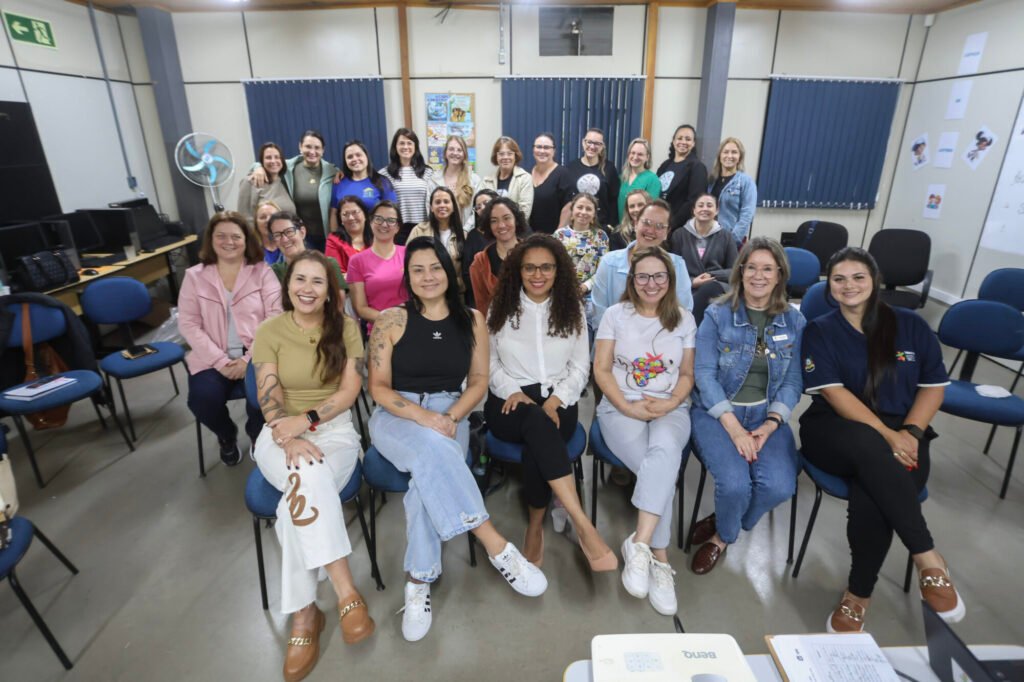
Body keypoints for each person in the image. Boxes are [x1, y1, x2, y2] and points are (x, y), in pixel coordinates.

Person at [367, 237, 548, 642]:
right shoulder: (391, 320)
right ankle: (495, 544)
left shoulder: (472, 320)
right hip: (398, 413)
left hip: (453, 410)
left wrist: (448, 416)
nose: (428, 277)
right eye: (417, 270)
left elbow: (479, 381)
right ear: (408, 277)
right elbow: (378, 388)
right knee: (433, 450)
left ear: (448, 272)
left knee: (423, 482)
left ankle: (418, 580)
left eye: (435, 268)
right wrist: (424, 417)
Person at [800, 247, 963, 633]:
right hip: (834, 427)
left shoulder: (912, 326)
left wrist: (911, 432)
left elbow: (933, 387)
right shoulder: (820, 330)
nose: (849, 285)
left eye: (858, 277)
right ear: (829, 285)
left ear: (874, 281)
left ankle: (858, 594)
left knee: (873, 491)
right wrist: (889, 436)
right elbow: (834, 394)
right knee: (869, 448)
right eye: (839, 279)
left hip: (907, 429)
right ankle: (927, 556)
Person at [252, 251, 373, 682]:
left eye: (317, 281)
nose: (307, 288)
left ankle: (305, 614)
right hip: (278, 433)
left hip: (334, 432)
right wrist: (288, 433)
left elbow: (349, 392)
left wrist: (307, 422)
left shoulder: (347, 329)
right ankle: (345, 590)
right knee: (307, 471)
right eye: (299, 279)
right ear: (287, 286)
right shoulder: (269, 331)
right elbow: (268, 394)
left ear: (330, 291)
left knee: (296, 499)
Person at [486, 234, 617, 571]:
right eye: (529, 267)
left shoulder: (571, 309)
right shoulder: (500, 308)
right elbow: (489, 363)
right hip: (508, 401)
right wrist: (512, 390)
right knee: (536, 423)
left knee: (538, 434)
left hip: (560, 399)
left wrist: (557, 399)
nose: (538, 274)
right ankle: (582, 523)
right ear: (518, 270)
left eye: (546, 267)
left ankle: (535, 526)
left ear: (558, 270)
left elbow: (580, 367)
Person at [689, 237, 804, 575]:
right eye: (751, 267)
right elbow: (704, 375)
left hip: (766, 413)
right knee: (735, 485)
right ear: (740, 272)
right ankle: (724, 535)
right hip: (717, 411)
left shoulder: (794, 322)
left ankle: (724, 529)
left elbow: (793, 382)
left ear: (780, 274)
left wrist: (771, 423)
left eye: (767, 268)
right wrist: (735, 428)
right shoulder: (717, 314)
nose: (758, 275)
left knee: (779, 486)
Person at [593, 246, 697, 616]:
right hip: (620, 406)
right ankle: (660, 558)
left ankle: (639, 544)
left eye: (659, 276)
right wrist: (626, 406)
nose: (651, 283)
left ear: (670, 280)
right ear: (632, 281)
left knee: (664, 454)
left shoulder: (684, 319)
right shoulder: (614, 315)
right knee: (661, 471)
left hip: (671, 406)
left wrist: (670, 403)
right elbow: (601, 369)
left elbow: (687, 374)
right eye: (643, 276)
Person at [179, 211, 282, 466]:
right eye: (221, 236)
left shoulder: (262, 272)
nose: (229, 242)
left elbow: (275, 317)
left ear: (246, 240)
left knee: (263, 394)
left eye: (236, 236)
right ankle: (226, 435)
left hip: (258, 354)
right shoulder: (194, 276)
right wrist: (220, 361)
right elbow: (188, 323)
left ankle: (257, 434)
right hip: (211, 358)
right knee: (202, 399)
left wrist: (248, 360)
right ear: (210, 240)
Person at [590, 199, 694, 330]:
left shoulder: (677, 265)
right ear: (635, 224)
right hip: (613, 338)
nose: (651, 230)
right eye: (647, 223)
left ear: (667, 233)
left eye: (660, 226)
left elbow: (683, 312)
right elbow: (599, 314)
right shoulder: (609, 262)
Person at [248, 130, 339, 251]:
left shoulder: (332, 172)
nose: (312, 151)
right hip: (301, 235)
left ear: (323, 150)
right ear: (300, 147)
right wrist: (258, 167)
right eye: (308, 146)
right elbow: (270, 163)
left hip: (328, 235)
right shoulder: (289, 167)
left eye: (317, 148)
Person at [667, 193, 738, 325]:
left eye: (709, 205)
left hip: (717, 286)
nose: (705, 208)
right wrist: (692, 282)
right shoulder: (679, 235)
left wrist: (711, 275)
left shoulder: (726, 236)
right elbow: (673, 268)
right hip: (687, 286)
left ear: (717, 210)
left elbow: (735, 271)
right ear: (694, 210)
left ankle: (688, 325)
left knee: (709, 288)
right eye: (700, 205)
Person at [347, 201, 408, 330]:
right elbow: (361, 308)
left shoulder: (409, 254)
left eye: (391, 220)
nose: (384, 224)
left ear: (397, 227)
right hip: (379, 329)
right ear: (370, 222)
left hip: (411, 325)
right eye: (379, 219)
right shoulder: (356, 261)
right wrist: (392, 321)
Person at [267, 212, 348, 308]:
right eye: (277, 235)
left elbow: (338, 304)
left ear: (302, 232)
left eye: (289, 232)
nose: (284, 239)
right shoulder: (274, 272)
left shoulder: (328, 264)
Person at [469, 197, 529, 315]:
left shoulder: (533, 254)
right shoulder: (479, 263)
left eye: (506, 218)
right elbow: (482, 306)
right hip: (497, 324)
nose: (501, 225)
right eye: (494, 221)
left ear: (516, 220)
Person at [381, 128, 436, 245]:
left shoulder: (427, 172)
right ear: (395, 147)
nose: (405, 147)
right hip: (398, 229)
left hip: (423, 227)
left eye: (409, 143)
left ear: (415, 147)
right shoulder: (385, 173)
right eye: (401, 143)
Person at [408, 186, 467, 294]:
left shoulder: (463, 235)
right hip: (425, 291)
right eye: (437, 202)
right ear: (431, 207)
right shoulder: (418, 231)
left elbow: (467, 271)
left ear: (453, 207)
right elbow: (407, 262)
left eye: (446, 202)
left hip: (456, 293)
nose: (442, 205)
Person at [329, 139, 396, 227]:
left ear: (366, 156)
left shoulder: (382, 182)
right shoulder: (339, 184)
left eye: (358, 155)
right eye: (350, 157)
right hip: (346, 235)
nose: (355, 159)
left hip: (376, 234)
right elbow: (333, 213)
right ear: (345, 161)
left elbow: (392, 214)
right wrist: (334, 235)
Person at [555, 193, 609, 300]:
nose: (583, 212)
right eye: (580, 207)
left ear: (594, 215)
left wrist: (585, 286)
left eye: (588, 209)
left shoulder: (601, 236)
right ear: (572, 211)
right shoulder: (559, 235)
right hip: (563, 292)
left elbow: (603, 269)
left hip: (591, 294)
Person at [565, 127, 621, 227]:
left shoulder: (609, 169)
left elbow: (613, 201)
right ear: (583, 142)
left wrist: (611, 226)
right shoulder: (571, 168)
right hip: (576, 226)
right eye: (589, 142)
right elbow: (566, 200)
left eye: (597, 143)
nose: (592, 146)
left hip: (601, 227)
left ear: (602, 146)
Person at [657, 124, 708, 233]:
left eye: (688, 139)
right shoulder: (665, 165)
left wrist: (671, 224)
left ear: (693, 143)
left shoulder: (697, 167)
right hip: (659, 224)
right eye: (679, 138)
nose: (683, 142)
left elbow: (694, 201)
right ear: (673, 141)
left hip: (679, 229)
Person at [708, 137, 757, 245]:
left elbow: (747, 214)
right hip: (709, 237)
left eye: (734, 152)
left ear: (740, 157)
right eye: (726, 152)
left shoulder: (746, 182)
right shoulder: (711, 180)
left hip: (730, 241)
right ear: (720, 155)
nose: (729, 156)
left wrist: (732, 240)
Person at [237, 142, 296, 221]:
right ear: (262, 161)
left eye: (277, 157)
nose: (273, 161)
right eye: (268, 157)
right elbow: (244, 218)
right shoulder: (249, 182)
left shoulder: (284, 181)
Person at [529, 132, 573, 234]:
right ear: (533, 150)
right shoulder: (527, 174)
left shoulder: (562, 174)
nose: (542, 151)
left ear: (554, 151)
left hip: (553, 236)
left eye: (546, 147)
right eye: (538, 147)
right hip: (529, 235)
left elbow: (568, 207)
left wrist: (558, 235)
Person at [481, 136, 534, 219]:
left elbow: (524, 212)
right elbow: (482, 209)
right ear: (496, 157)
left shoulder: (525, 178)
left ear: (515, 156)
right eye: (501, 154)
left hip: (517, 226)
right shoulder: (487, 181)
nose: (505, 157)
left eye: (509, 154)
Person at [463, 188, 499, 309]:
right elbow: (467, 272)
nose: (482, 208)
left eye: (486, 203)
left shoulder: (509, 229)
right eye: (478, 207)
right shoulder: (473, 236)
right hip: (481, 297)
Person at [437, 135, 481, 226]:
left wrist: (466, 230)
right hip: (441, 231)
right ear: (445, 153)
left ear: (464, 155)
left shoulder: (474, 180)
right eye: (451, 149)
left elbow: (478, 208)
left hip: (466, 232)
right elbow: (430, 208)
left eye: (459, 150)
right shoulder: (434, 179)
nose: (455, 153)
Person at [618, 137, 661, 223]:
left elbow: (651, 210)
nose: (635, 157)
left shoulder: (652, 179)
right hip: (621, 226)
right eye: (632, 153)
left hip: (640, 227)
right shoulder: (622, 177)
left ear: (647, 157)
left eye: (640, 154)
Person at [325, 196, 371, 275]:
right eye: (345, 214)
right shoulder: (334, 240)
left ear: (365, 215)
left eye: (355, 212)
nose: (351, 218)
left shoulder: (377, 238)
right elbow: (336, 275)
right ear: (341, 220)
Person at [254, 199, 285, 266]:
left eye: (273, 216)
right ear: (256, 224)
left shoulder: (290, 246)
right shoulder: (250, 251)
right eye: (263, 217)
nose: (268, 220)